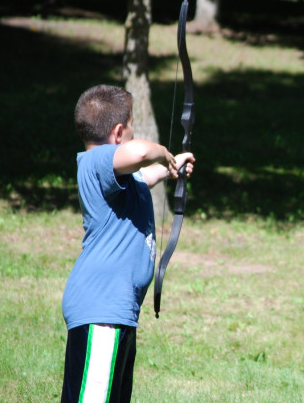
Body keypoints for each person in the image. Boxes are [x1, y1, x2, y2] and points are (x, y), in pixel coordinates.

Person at [61, 84, 195, 403]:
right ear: (119, 131)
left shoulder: (116, 176)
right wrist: (162, 151)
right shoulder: (96, 161)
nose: (136, 134)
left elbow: (142, 176)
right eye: (134, 125)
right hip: (101, 308)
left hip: (116, 310)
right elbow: (139, 153)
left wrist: (169, 167)